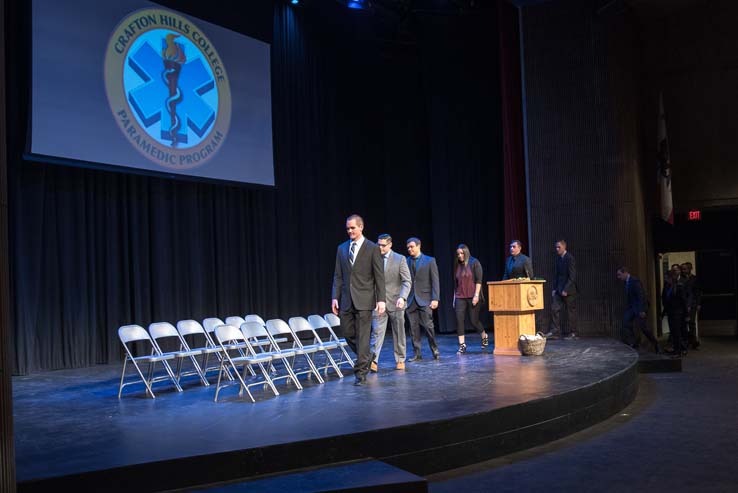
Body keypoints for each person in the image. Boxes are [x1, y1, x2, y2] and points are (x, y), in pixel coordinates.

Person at [331, 214, 386, 386]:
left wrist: (381, 299)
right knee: (347, 333)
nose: (350, 231)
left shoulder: (372, 248)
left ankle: (360, 373)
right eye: (347, 228)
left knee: (363, 336)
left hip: (365, 298)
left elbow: (379, 276)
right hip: (347, 299)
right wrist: (335, 297)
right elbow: (338, 276)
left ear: (361, 227)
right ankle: (368, 356)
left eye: (353, 228)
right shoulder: (341, 248)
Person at [370, 234, 412, 371]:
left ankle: (400, 359)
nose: (380, 247)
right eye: (379, 244)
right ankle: (373, 360)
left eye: (383, 245)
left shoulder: (400, 259)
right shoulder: (373, 258)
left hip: (396, 302)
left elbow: (407, 281)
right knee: (376, 332)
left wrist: (403, 297)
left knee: (399, 332)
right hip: (378, 302)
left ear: (390, 245)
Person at [406, 237, 440, 361]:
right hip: (410, 300)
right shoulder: (406, 261)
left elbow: (435, 281)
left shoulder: (430, 261)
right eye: (408, 247)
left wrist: (435, 298)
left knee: (428, 326)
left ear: (419, 246)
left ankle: (434, 349)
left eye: (412, 247)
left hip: (425, 299)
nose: (410, 249)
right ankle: (417, 353)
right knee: (413, 329)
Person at [453, 244, 489, 354]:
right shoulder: (457, 264)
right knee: (459, 320)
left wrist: (476, 295)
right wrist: (454, 298)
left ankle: (484, 336)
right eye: (458, 254)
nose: (459, 255)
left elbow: (479, 281)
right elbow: (456, 283)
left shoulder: (474, 263)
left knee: (474, 321)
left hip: (473, 296)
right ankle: (462, 345)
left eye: (461, 253)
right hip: (460, 296)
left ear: (466, 252)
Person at [616, 266, 659, 353]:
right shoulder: (626, 282)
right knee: (626, 322)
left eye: (619, 275)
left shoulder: (634, 281)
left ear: (625, 273)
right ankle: (633, 343)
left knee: (644, 328)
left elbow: (640, 296)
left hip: (639, 307)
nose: (618, 277)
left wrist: (642, 310)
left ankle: (655, 343)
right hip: (632, 308)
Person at [545, 239, 577, 339]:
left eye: (559, 247)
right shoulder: (558, 258)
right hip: (559, 289)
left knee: (570, 312)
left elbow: (572, 276)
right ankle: (555, 332)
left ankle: (573, 333)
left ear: (564, 247)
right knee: (554, 309)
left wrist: (566, 289)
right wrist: (554, 289)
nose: (557, 249)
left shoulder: (569, 258)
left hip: (569, 290)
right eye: (556, 247)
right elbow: (557, 276)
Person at [662, 263, 688, 357]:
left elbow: (683, 301)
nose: (666, 279)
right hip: (670, 312)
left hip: (678, 312)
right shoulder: (667, 286)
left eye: (667, 277)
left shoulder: (679, 286)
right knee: (673, 332)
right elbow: (664, 298)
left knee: (677, 332)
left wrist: (686, 314)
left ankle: (678, 351)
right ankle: (677, 349)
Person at [680, 262, 702, 350]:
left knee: (691, 322)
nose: (683, 270)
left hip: (692, 304)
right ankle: (685, 341)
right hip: (683, 304)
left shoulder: (694, 279)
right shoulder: (680, 279)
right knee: (683, 323)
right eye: (683, 269)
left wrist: (698, 304)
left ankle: (693, 342)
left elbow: (698, 292)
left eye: (685, 269)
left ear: (690, 269)